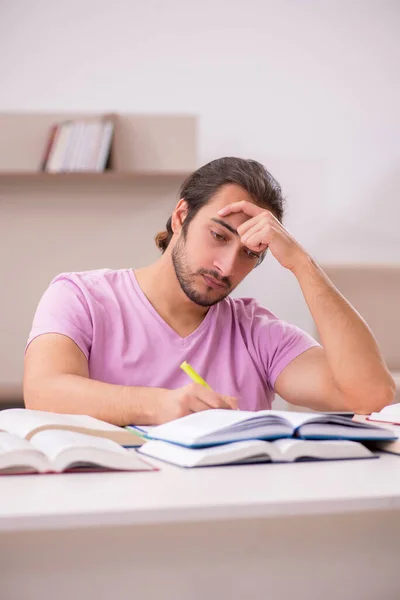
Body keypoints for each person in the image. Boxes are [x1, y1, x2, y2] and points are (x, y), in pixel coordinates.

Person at [23, 157, 395, 424]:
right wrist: (161, 405)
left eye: (250, 253)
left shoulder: (256, 333)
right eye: (218, 236)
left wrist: (302, 263)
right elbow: (44, 391)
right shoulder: (80, 297)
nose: (227, 267)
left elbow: (372, 396)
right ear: (181, 216)